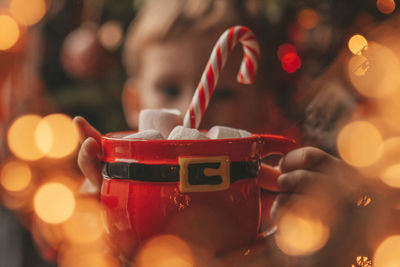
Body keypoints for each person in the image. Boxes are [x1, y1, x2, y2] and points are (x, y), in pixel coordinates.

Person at [73, 0, 367, 265]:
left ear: (264, 109)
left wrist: (340, 223)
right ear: (135, 104)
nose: (190, 106)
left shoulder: (286, 198)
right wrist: (99, 229)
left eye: (224, 93)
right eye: (169, 89)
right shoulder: (111, 186)